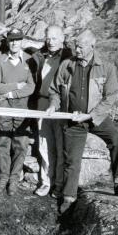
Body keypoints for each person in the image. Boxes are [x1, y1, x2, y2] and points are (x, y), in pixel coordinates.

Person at [47, 30, 118, 214]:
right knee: (72, 160)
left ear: (92, 46)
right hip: (73, 119)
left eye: (80, 46)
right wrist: (54, 105)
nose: (76, 49)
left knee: (117, 141)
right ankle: (69, 198)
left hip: (97, 117)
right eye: (75, 46)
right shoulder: (67, 65)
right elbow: (54, 90)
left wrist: (92, 115)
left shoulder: (106, 67)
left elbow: (110, 96)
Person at [0, 29, 35, 196]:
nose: (15, 43)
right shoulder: (0, 60)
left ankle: (14, 179)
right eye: (11, 40)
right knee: (2, 145)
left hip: (22, 110)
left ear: (22, 41)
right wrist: (17, 86)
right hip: (3, 109)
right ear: (7, 42)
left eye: (17, 40)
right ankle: (3, 177)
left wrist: (9, 93)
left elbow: (31, 87)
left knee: (20, 146)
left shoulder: (29, 61)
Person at [29, 26, 72, 197]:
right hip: (42, 104)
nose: (50, 41)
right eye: (48, 38)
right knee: (45, 146)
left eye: (54, 38)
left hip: (62, 106)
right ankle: (46, 182)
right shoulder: (40, 56)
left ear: (62, 39)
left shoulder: (69, 57)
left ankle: (60, 184)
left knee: (61, 145)